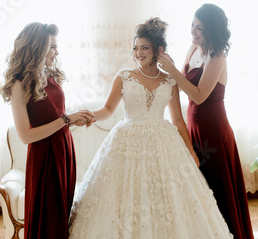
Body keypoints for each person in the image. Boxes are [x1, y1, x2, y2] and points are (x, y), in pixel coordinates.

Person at [68, 17, 232, 239]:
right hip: (126, 142)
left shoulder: (170, 80)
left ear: (159, 50)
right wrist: (88, 116)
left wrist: (191, 151)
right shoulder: (124, 76)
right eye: (135, 48)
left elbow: (177, 120)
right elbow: (107, 110)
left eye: (144, 47)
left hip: (163, 143)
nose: (138, 53)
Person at [158, 4, 254, 239]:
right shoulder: (193, 49)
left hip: (214, 131)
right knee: (200, 188)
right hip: (193, 127)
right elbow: (179, 82)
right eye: (192, 25)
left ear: (211, 30)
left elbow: (199, 95)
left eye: (199, 28)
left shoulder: (217, 56)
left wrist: (173, 71)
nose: (193, 31)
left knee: (217, 188)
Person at [0, 22, 94, 239]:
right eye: (52, 46)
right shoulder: (18, 84)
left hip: (64, 150)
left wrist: (74, 120)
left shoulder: (50, 75)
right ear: (37, 48)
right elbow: (26, 136)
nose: (56, 51)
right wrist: (66, 119)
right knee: (49, 219)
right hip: (45, 157)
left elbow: (55, 117)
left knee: (62, 215)